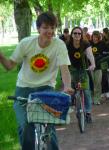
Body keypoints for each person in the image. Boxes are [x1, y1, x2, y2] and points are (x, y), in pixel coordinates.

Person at [0, 12, 73, 150]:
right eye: (45, 27)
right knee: (26, 126)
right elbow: (9, 66)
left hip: (46, 89)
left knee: (49, 128)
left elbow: (64, 69)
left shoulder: (59, 45)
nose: (50, 31)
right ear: (38, 28)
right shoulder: (26, 43)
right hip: (24, 89)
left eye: (52, 27)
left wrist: (67, 86)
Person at [67, 26, 95, 123]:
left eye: (79, 33)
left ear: (81, 35)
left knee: (86, 91)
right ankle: (74, 105)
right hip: (72, 70)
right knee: (71, 90)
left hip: (84, 70)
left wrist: (93, 64)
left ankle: (88, 112)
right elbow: (63, 57)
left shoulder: (85, 43)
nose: (77, 35)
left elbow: (90, 55)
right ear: (72, 34)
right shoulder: (68, 44)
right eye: (75, 33)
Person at [90, 30, 109, 105]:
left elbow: (108, 49)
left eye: (96, 37)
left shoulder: (102, 43)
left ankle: (97, 99)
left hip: (99, 65)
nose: (95, 39)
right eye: (93, 37)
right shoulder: (89, 43)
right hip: (90, 65)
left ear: (98, 37)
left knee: (98, 82)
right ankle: (92, 98)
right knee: (92, 82)